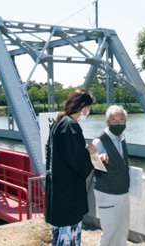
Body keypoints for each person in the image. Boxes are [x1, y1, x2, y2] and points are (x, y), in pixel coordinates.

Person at [45, 89, 96, 246]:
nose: (88, 111)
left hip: (58, 191)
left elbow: (50, 154)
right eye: (89, 108)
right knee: (70, 237)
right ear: (82, 106)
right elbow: (75, 159)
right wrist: (89, 152)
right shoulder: (71, 126)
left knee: (59, 237)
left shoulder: (58, 123)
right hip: (69, 194)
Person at [92, 105, 130, 246]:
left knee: (123, 229)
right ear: (107, 122)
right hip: (107, 191)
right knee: (110, 229)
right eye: (113, 120)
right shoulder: (101, 139)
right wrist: (99, 157)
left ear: (125, 121)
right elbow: (90, 158)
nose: (118, 123)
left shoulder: (122, 138)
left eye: (121, 120)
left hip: (122, 190)